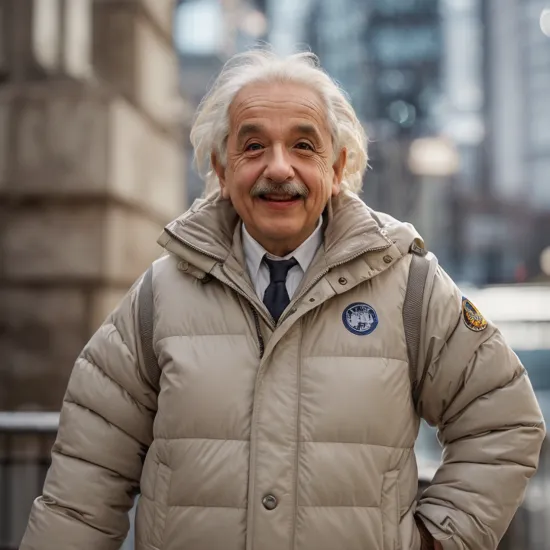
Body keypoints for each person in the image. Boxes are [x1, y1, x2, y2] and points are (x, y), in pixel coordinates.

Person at [21, 49, 545, 550]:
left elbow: (504, 420)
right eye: (253, 147)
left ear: (337, 169)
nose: (278, 169)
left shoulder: (411, 287)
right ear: (222, 170)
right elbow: (84, 486)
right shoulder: (159, 297)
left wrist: (440, 539)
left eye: (303, 145)